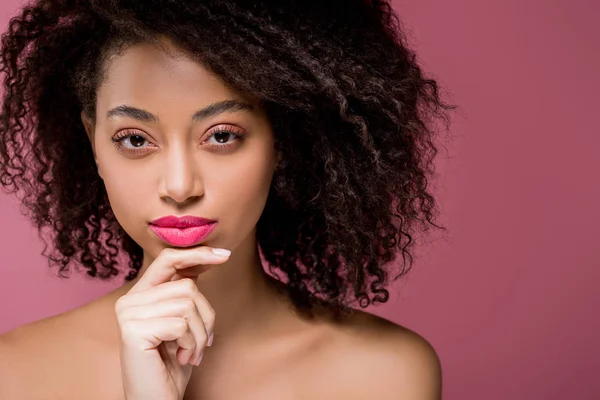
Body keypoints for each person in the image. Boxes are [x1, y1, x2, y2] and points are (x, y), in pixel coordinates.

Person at [0, 0, 453, 398]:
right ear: (92, 142)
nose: (179, 187)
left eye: (221, 136)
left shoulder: (386, 375)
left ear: (281, 143)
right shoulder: (16, 373)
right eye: (135, 140)